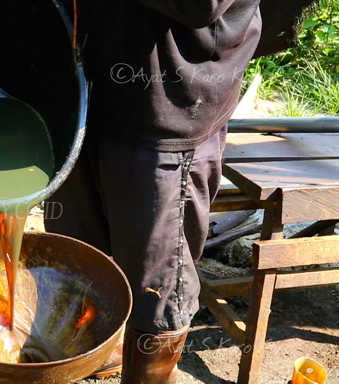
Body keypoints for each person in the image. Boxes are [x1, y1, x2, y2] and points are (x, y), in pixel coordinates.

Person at [45, 1, 262, 382]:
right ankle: (103, 345)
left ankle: (148, 374)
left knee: (158, 284)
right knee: (78, 245)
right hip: (83, 78)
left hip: (166, 98)